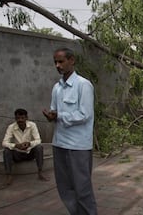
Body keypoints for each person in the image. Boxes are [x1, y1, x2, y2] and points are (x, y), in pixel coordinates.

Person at [42, 47, 97, 215]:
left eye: (61, 61)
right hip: (59, 143)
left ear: (71, 60)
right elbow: (54, 111)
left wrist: (59, 115)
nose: (58, 65)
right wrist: (51, 116)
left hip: (78, 146)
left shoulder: (83, 85)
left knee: (82, 188)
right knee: (65, 187)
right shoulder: (56, 88)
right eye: (55, 62)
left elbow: (84, 114)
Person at [2, 108, 48, 186]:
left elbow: (38, 140)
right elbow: (4, 142)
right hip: (18, 154)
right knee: (6, 151)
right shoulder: (11, 127)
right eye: (18, 118)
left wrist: (29, 143)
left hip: (30, 153)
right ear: (15, 118)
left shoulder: (32, 125)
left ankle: (40, 172)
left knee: (39, 147)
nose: (20, 120)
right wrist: (16, 145)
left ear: (26, 118)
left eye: (22, 118)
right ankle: (8, 175)